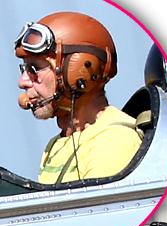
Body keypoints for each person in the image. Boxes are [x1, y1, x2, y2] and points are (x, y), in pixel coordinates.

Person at [15, 12, 142, 185]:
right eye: (24, 69)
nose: (22, 82)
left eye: (34, 69)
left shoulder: (112, 142)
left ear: (78, 70)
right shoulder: (55, 145)